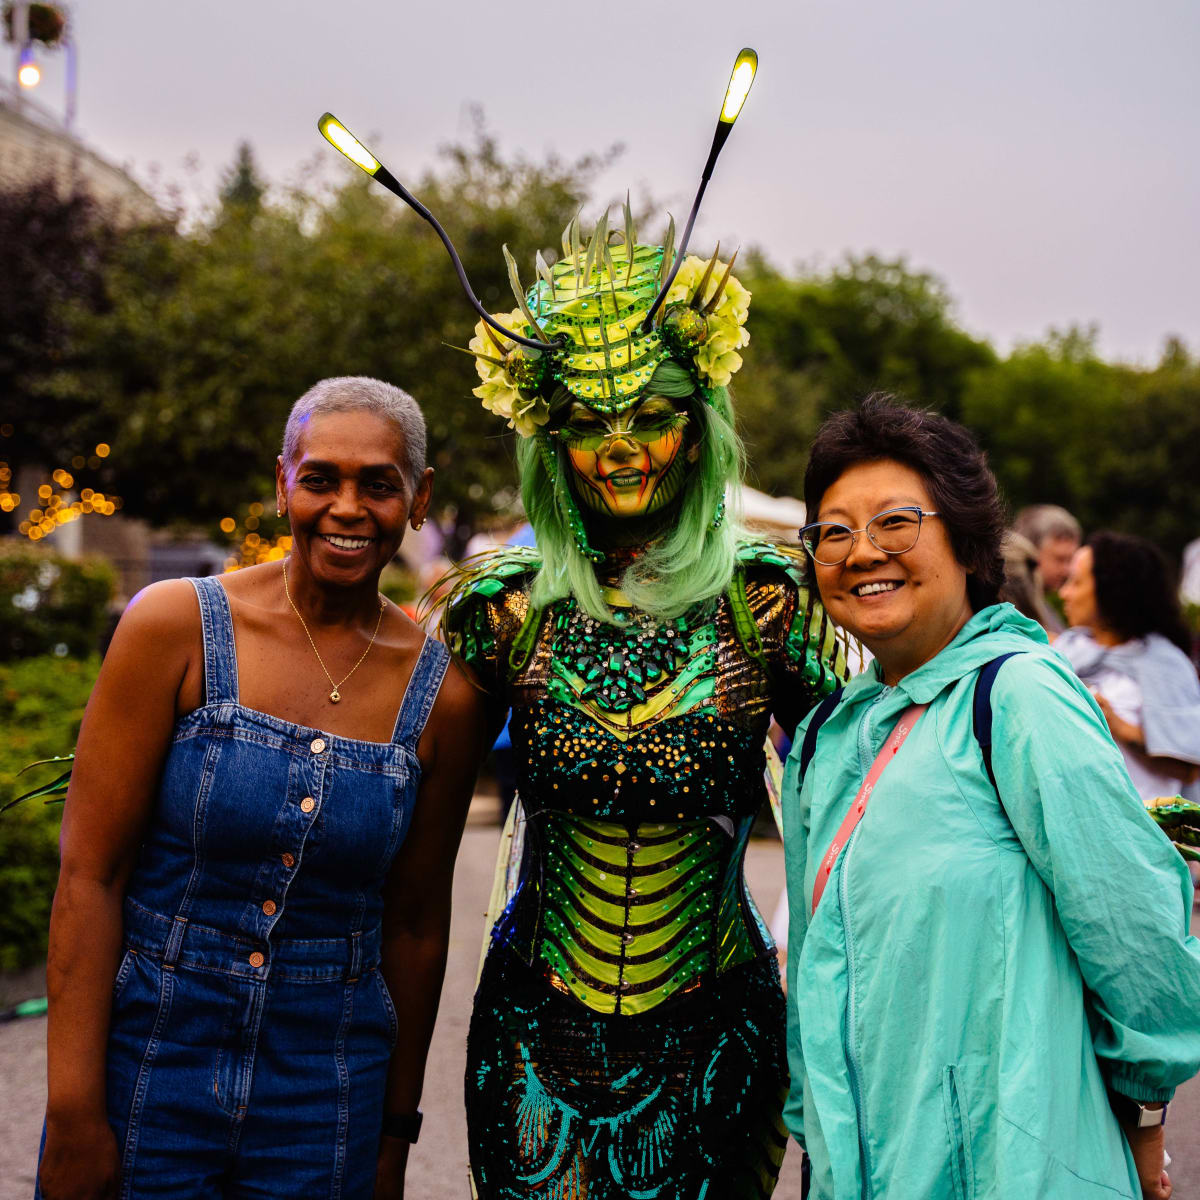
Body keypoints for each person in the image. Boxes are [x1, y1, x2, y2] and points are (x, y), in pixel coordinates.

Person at [439, 215, 847, 1195]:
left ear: (700, 421)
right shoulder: (506, 611)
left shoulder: (765, 601)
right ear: (549, 439)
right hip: (532, 1028)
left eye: (652, 413)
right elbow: (401, 842)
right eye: (586, 422)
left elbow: (882, 792)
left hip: (721, 1035)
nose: (620, 449)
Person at [37, 377, 487, 1199]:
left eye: (378, 485)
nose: (347, 508)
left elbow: (418, 927)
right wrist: (72, 1111)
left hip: (326, 1096)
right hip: (151, 1072)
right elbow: (89, 875)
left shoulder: (445, 696)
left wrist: (394, 1136)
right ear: (283, 483)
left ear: (418, 499)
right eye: (321, 479)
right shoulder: (172, 626)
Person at [783, 395, 1200, 1200]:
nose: (861, 552)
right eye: (833, 531)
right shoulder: (829, 734)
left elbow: (1135, 935)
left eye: (895, 523)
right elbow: (814, 972)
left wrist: (1145, 1119)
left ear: (966, 540)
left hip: (1014, 1169)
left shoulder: (1017, 697)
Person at [1056, 531, 1200, 801]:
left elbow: (1189, 767)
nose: (1064, 593)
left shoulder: (1165, 664)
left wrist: (1116, 724)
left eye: (1076, 582)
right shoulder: (1067, 651)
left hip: (1147, 827)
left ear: (1110, 588)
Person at [1013, 503, 1081, 631]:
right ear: (1030, 550)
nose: (1067, 570)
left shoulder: (1045, 611)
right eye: (1060, 559)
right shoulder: (1016, 615)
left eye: (1070, 560)